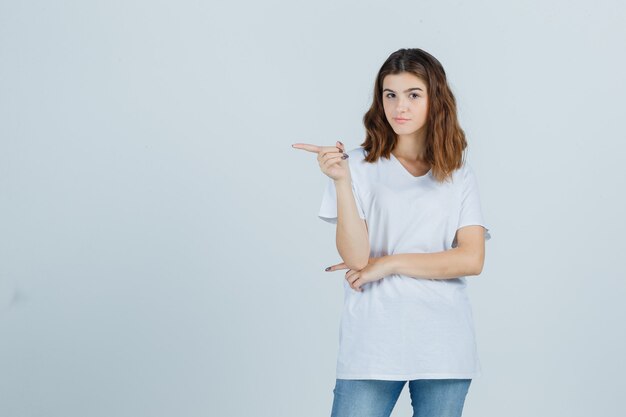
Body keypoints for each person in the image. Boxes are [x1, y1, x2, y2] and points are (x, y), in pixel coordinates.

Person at [292, 48, 491, 417]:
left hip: (443, 344)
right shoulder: (358, 167)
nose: (400, 106)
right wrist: (340, 181)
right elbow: (356, 259)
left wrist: (388, 264)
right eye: (390, 95)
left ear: (435, 100)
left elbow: (471, 258)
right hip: (372, 340)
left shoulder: (458, 174)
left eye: (413, 95)